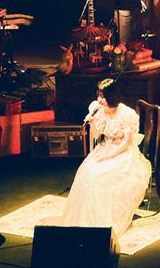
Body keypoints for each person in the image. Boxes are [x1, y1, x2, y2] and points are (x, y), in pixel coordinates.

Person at [60, 78, 151, 238]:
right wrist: (92, 123)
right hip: (105, 147)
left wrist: (110, 155)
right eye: (98, 95)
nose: (99, 100)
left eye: (103, 96)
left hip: (123, 151)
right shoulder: (98, 110)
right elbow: (97, 136)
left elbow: (127, 142)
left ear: (112, 96)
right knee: (88, 172)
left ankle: (110, 219)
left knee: (105, 174)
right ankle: (91, 219)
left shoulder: (127, 114)